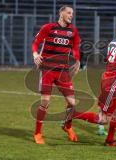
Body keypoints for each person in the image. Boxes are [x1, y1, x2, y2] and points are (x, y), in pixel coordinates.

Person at [32, 5, 80, 144]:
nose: (71, 15)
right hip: (47, 69)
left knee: (72, 103)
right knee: (45, 102)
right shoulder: (48, 27)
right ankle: (37, 133)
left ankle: (67, 126)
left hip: (63, 71)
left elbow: (75, 48)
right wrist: (35, 54)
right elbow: (36, 43)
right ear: (61, 13)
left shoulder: (73, 31)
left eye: (72, 13)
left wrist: (77, 61)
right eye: (69, 13)